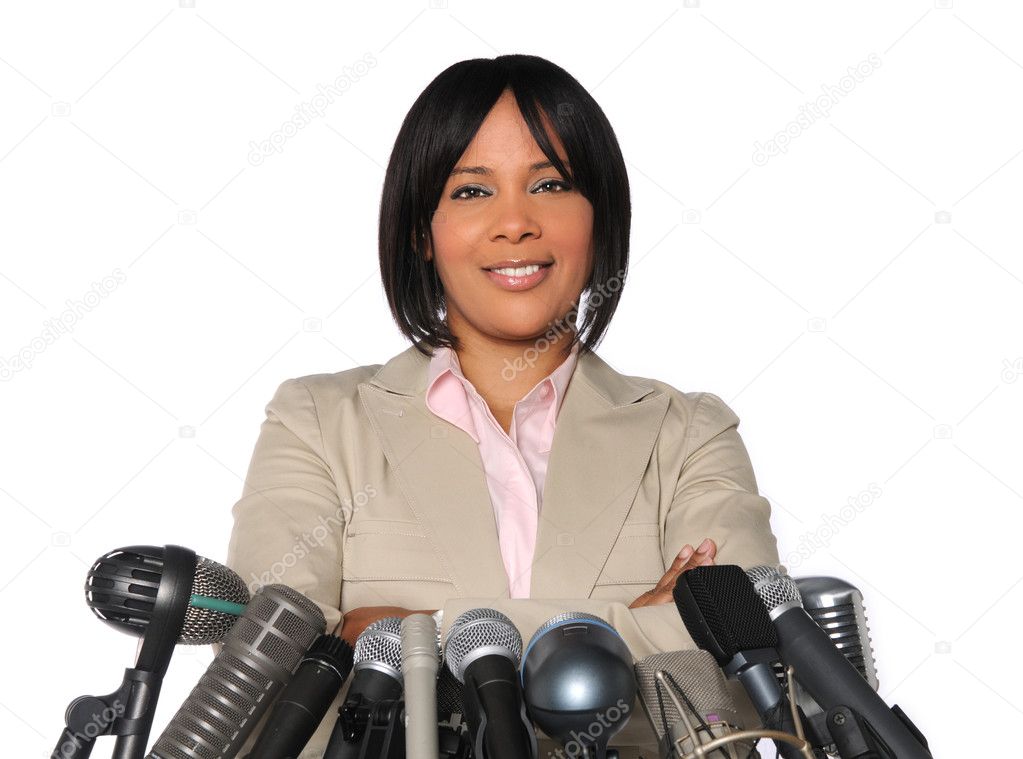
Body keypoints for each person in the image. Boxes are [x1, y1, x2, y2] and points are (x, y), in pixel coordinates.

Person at [225, 54, 781, 759]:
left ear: (600, 218)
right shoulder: (317, 423)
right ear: (420, 231)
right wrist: (625, 632)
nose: (514, 222)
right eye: (470, 191)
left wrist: (393, 634)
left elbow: (742, 679)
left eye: (549, 183)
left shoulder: (689, 434)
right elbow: (272, 685)